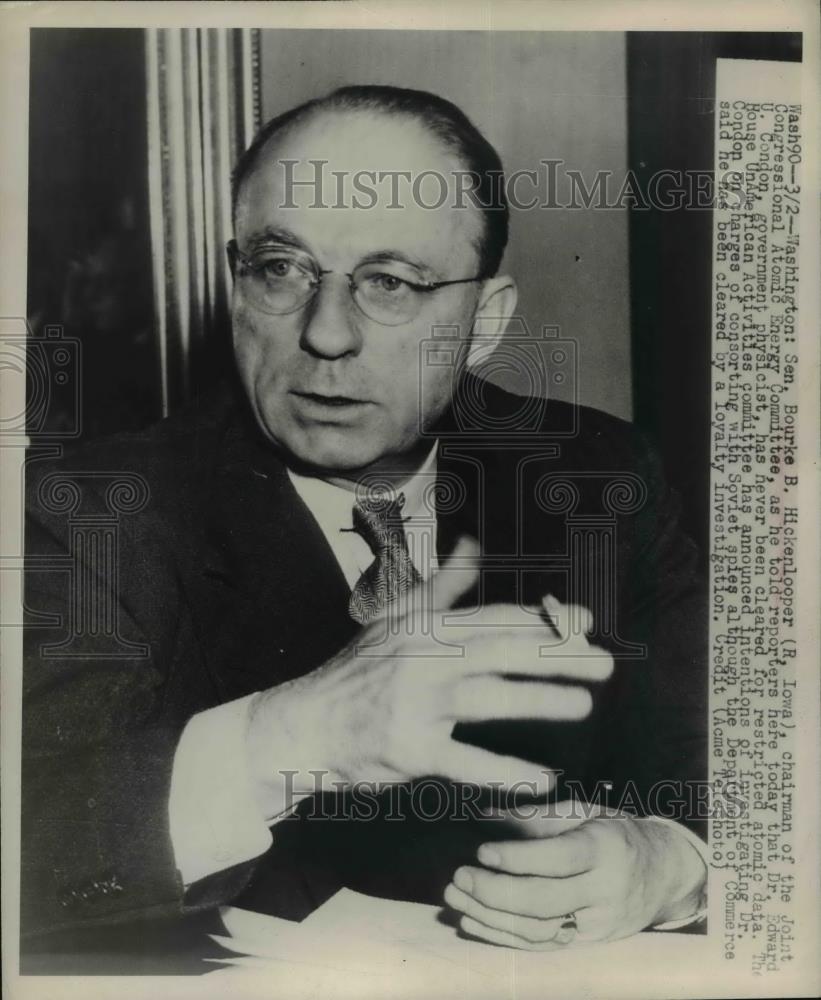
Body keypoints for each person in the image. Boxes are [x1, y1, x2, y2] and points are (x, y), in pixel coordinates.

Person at [22, 85, 708, 971]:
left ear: (483, 323)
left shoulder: (594, 476)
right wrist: (287, 733)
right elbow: (31, 834)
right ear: (234, 284)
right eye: (281, 269)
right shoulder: (89, 512)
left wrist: (670, 862)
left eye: (389, 282)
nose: (327, 333)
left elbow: (735, 771)